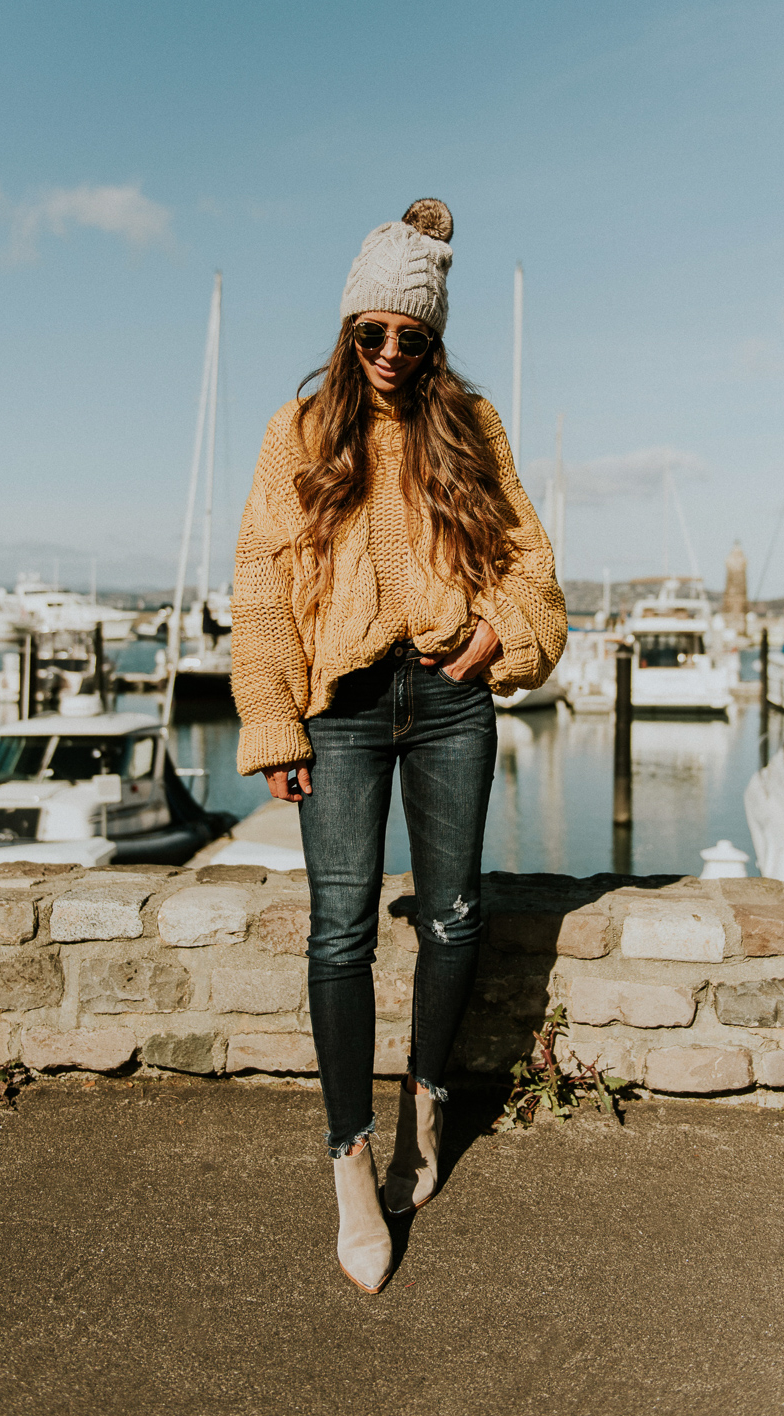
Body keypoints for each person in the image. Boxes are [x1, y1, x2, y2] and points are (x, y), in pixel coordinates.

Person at [231, 199, 566, 1292]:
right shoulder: (299, 431)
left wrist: (501, 638)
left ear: (431, 338)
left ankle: (426, 1106)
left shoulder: (467, 419)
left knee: (456, 912)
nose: (387, 354)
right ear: (347, 330)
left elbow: (529, 561)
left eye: (408, 337)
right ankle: (347, 1160)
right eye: (370, 334)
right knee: (340, 933)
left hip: (451, 697)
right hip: (341, 707)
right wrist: (273, 719)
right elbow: (262, 587)